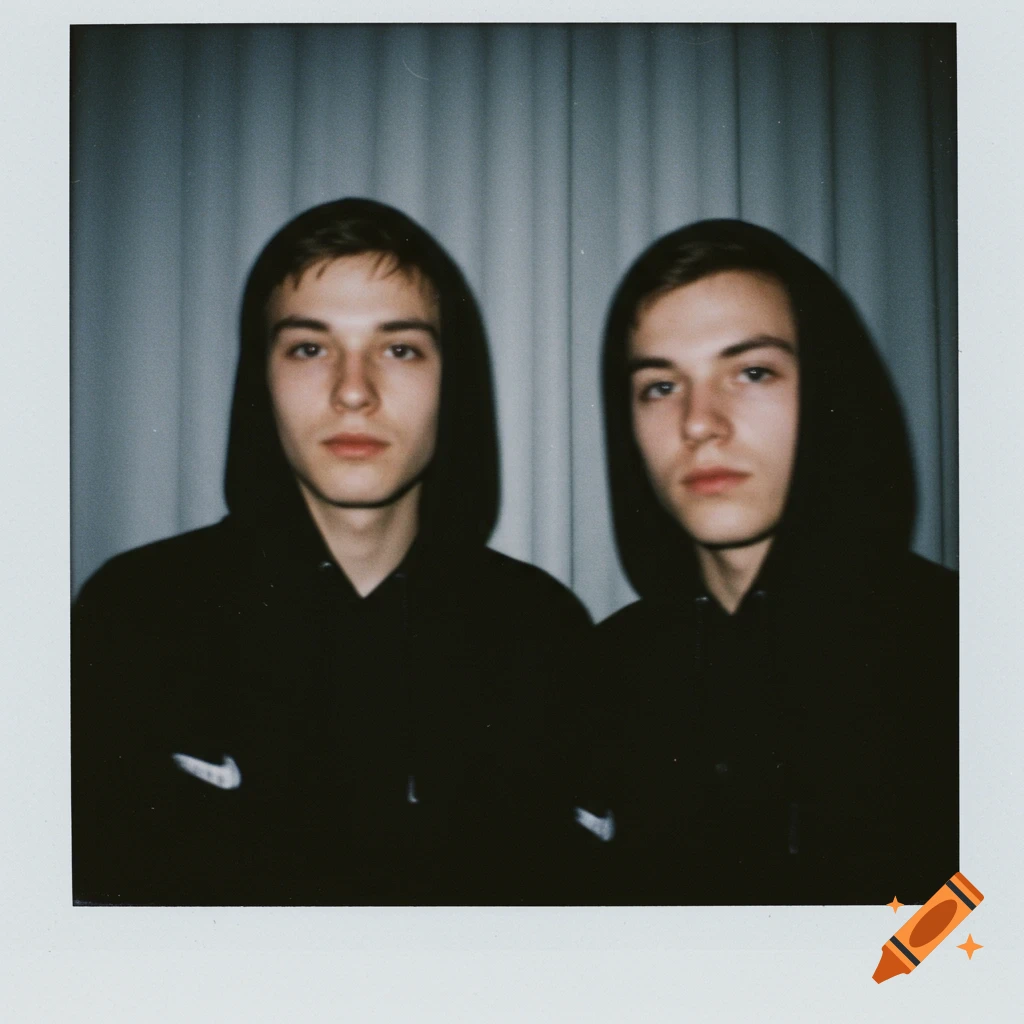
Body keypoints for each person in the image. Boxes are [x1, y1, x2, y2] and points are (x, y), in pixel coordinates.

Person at [73, 197, 590, 906]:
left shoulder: (541, 633)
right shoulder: (134, 613)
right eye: (310, 348)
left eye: (400, 348)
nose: (354, 391)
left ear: (453, 384)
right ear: (260, 379)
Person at [571, 219, 957, 905]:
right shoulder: (608, 670)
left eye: (752, 372)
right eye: (660, 386)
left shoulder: (964, 652)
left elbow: (982, 917)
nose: (698, 422)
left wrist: (888, 978)